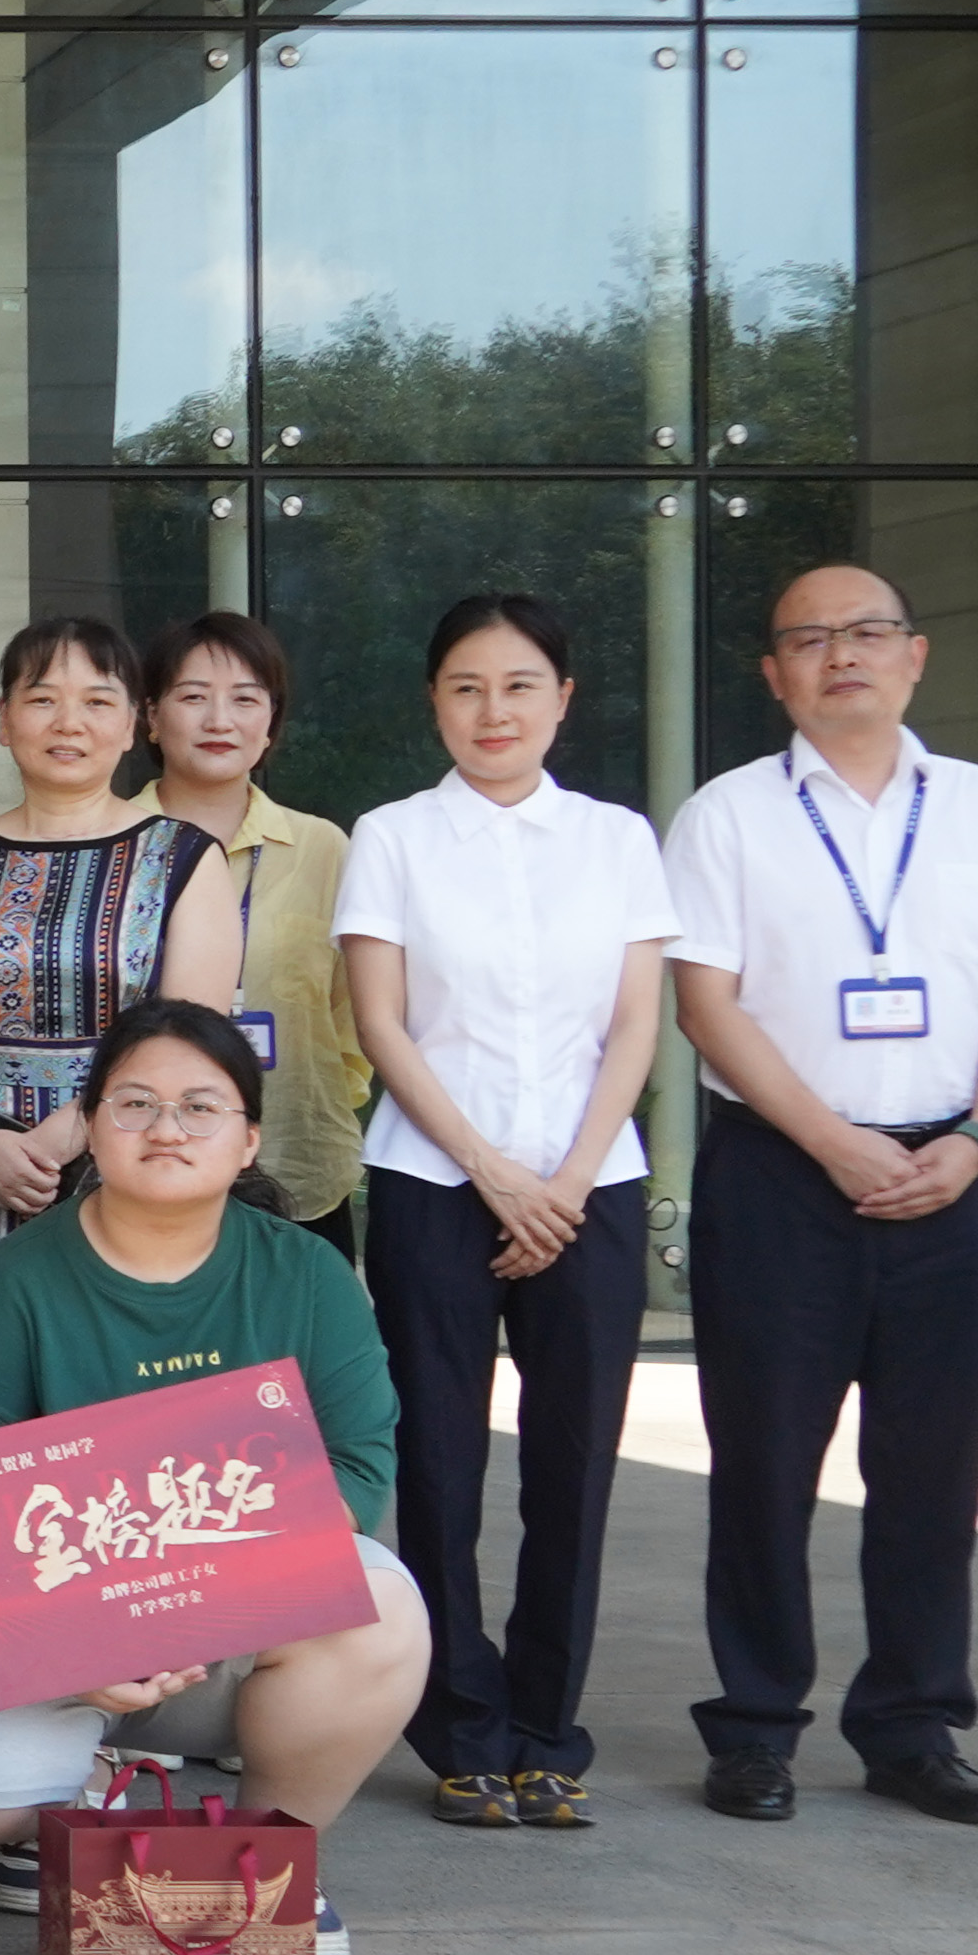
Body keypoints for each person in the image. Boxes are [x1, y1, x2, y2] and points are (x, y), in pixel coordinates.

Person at [664, 563, 978, 1829]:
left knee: (934, 1470)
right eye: (811, 638)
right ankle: (755, 1729)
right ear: (774, 673)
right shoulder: (727, 815)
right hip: (781, 1178)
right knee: (763, 1465)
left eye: (867, 632)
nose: (841, 654)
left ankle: (913, 1726)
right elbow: (706, 1005)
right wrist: (832, 1141)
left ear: (915, 654)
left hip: (959, 1179)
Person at [0, 1003, 430, 1955]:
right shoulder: (12, 1283)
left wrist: (193, 1599)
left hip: (229, 1621)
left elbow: (358, 1468)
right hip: (27, 1613)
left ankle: (261, 1857)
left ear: (248, 1139)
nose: (167, 1128)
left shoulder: (308, 1275)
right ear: (89, 1127)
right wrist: (79, 1638)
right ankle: (77, 1812)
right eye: (134, 1104)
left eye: (200, 1107)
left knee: (383, 1610)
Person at [335, 593, 677, 1831]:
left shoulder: (618, 839)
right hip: (434, 1183)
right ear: (436, 699)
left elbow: (635, 1024)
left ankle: (548, 1731)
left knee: (574, 1464)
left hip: (592, 1188)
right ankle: (461, 1731)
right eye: (468, 686)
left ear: (563, 698)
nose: (495, 710)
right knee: (440, 1461)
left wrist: (568, 1180)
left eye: (521, 684)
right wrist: (491, 1169)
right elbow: (383, 1023)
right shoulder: (393, 836)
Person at [0, 614, 244, 1380]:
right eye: (42, 699)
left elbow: (190, 1039)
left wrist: (68, 1135)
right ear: (4, 720)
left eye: (97, 701)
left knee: (111, 1393)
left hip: (130, 1160)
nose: (68, 722)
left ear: (133, 724)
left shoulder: (182, 860)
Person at [141, 610, 366, 1248]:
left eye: (245, 699)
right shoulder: (110, 846)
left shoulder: (323, 849)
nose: (220, 720)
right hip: (144, 1160)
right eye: (193, 697)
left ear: (271, 722)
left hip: (299, 1160)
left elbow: (351, 1020)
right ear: (151, 717)